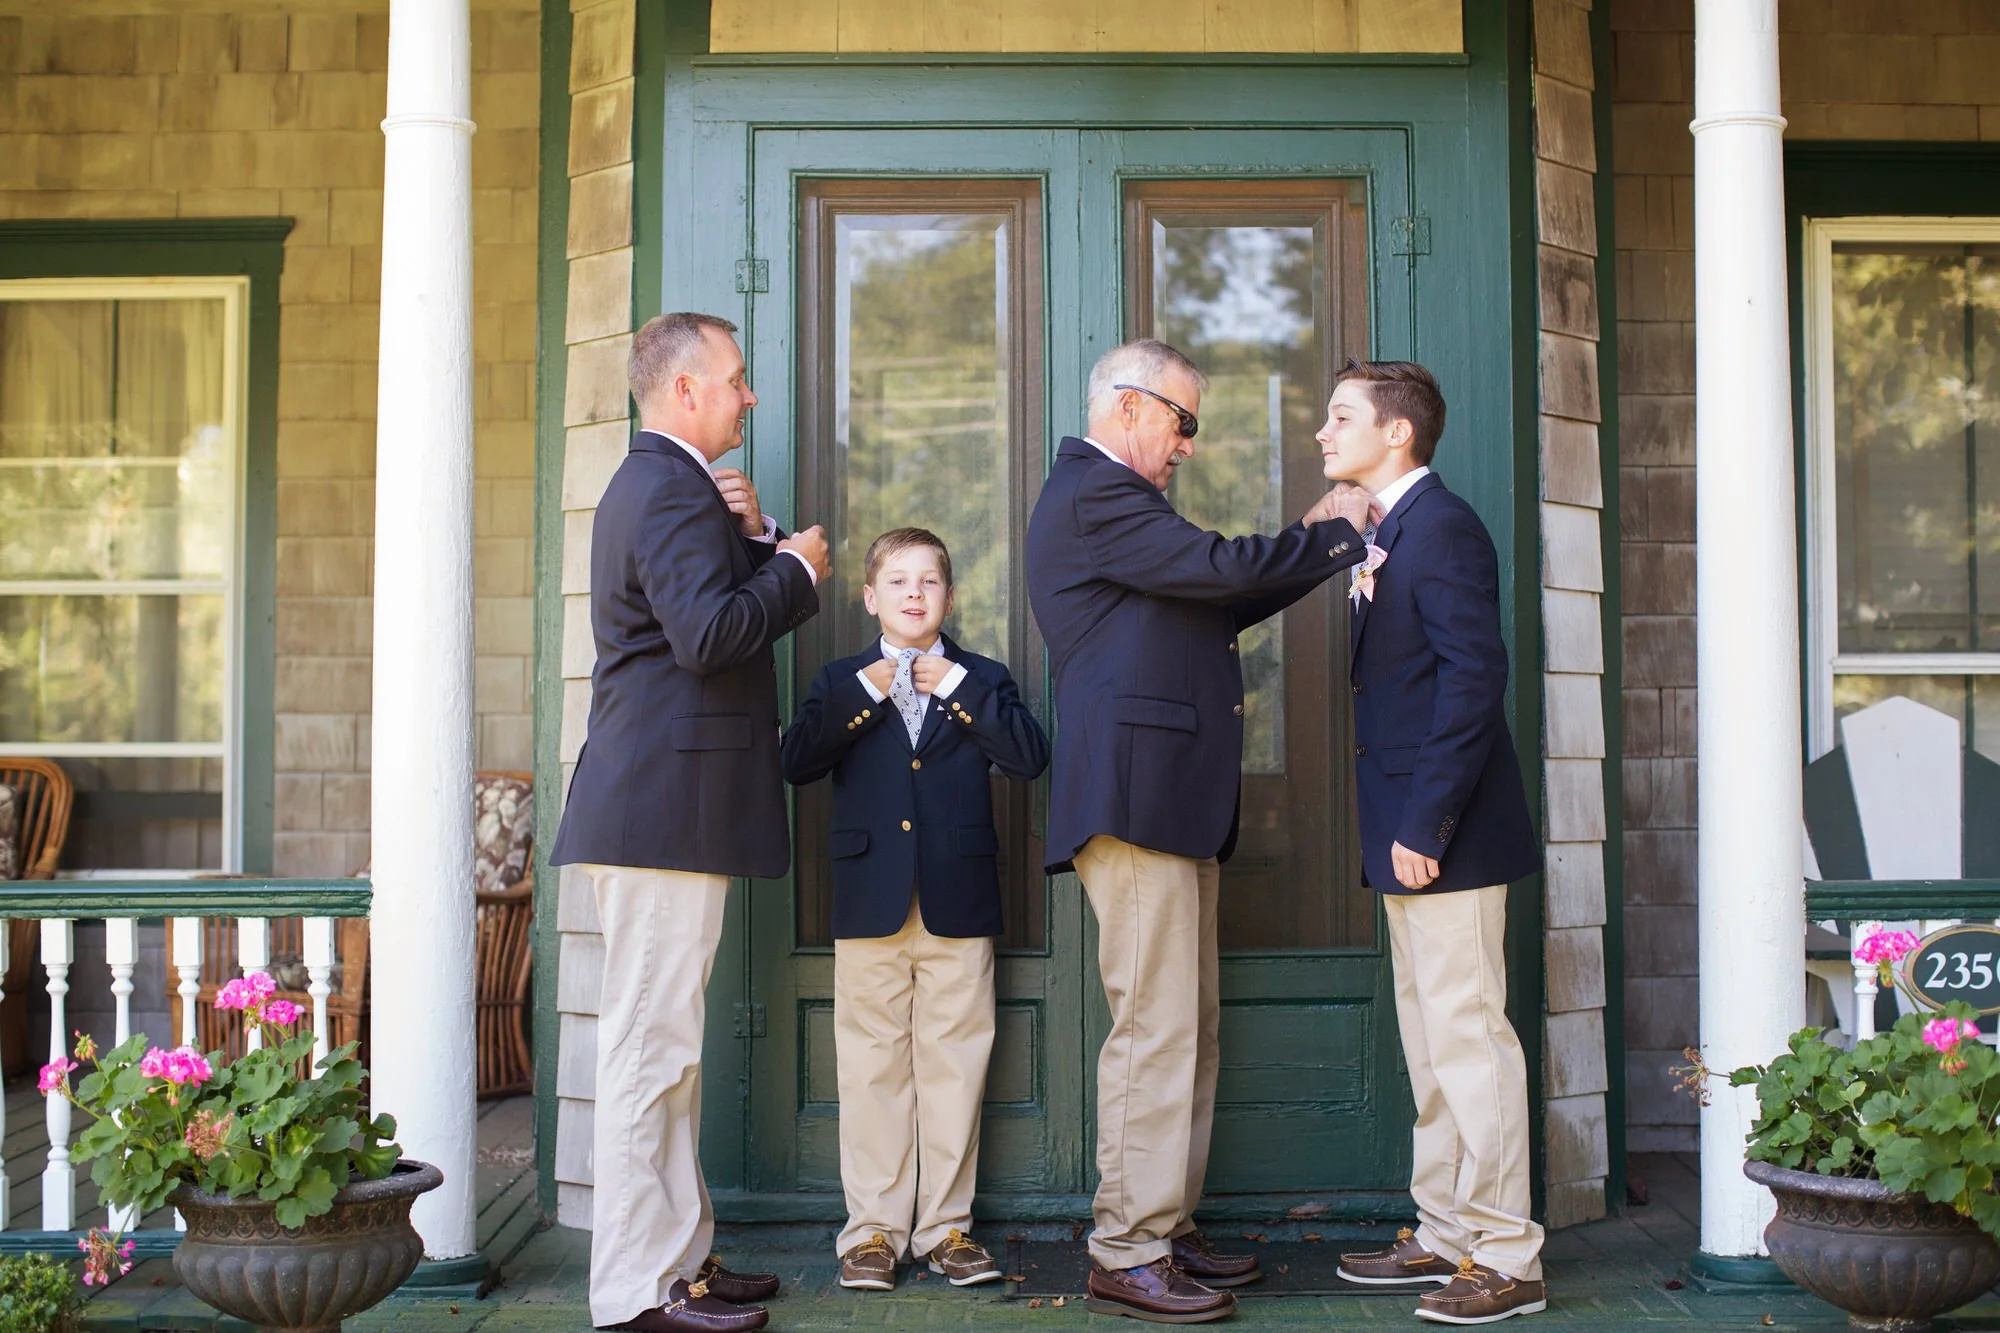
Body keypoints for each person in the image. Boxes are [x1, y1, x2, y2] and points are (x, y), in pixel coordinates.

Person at [1024, 339, 1378, 1324]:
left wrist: (1313, 536)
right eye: (1182, 422)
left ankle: (1163, 1226)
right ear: (1131, 408)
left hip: (1168, 797)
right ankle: (1125, 1247)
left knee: (1186, 1023)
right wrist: (1332, 536)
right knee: (1154, 1025)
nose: (1187, 445)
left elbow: (1215, 589)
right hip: (1135, 800)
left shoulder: (1123, 504)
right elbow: (1211, 567)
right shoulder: (1095, 491)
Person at [549, 312, 832, 1333]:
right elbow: (709, 636)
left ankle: (684, 1258)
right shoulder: (663, 484)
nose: (747, 395)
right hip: (659, 811)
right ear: (683, 392)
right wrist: (794, 570)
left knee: (666, 1051)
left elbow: (697, 608)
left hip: (668, 809)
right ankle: (635, 1293)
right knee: (646, 1054)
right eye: (735, 378)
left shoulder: (676, 487)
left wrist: (751, 538)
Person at [1319, 359, 1546, 1325]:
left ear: (1398, 432)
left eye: (1340, 418)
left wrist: (1426, 823)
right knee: (1431, 1038)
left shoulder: (1442, 526)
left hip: (1442, 834)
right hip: (1407, 836)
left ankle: (1509, 1253)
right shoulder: (1391, 528)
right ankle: (1448, 1229)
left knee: (1470, 1037)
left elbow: (1471, 681)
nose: (1324, 434)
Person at [781, 527, 1049, 1294]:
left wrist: (956, 691)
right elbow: (797, 761)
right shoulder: (840, 680)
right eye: (897, 581)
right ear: (871, 597)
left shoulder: (981, 676)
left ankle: (947, 1228)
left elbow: (1029, 756)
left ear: (948, 596)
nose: (913, 594)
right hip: (871, 899)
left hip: (957, 900)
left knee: (954, 1065)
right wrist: (868, 692)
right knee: (871, 1070)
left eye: (929, 581)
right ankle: (871, 1233)